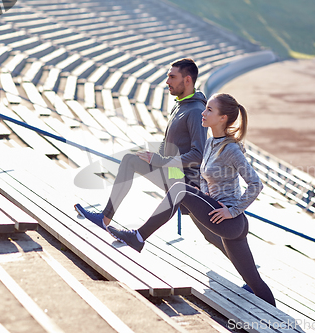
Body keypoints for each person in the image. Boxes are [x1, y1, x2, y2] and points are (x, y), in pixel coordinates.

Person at [107, 93, 276, 306]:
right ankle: (282, 325)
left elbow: (255, 184)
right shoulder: (210, 143)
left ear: (223, 118)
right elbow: (206, 173)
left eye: (209, 110)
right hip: (223, 218)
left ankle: (138, 237)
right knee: (255, 284)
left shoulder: (230, 148)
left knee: (180, 189)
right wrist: (204, 191)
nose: (203, 114)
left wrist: (232, 211)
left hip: (229, 221)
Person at [75, 58, 227, 254]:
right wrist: (155, 157)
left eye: (172, 77)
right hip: (172, 173)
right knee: (131, 161)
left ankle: (250, 278)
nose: (167, 81)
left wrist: (161, 162)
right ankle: (105, 219)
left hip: (186, 181)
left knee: (211, 234)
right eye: (167, 76)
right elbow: (169, 142)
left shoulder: (197, 111)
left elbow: (198, 154)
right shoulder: (181, 105)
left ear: (187, 80)